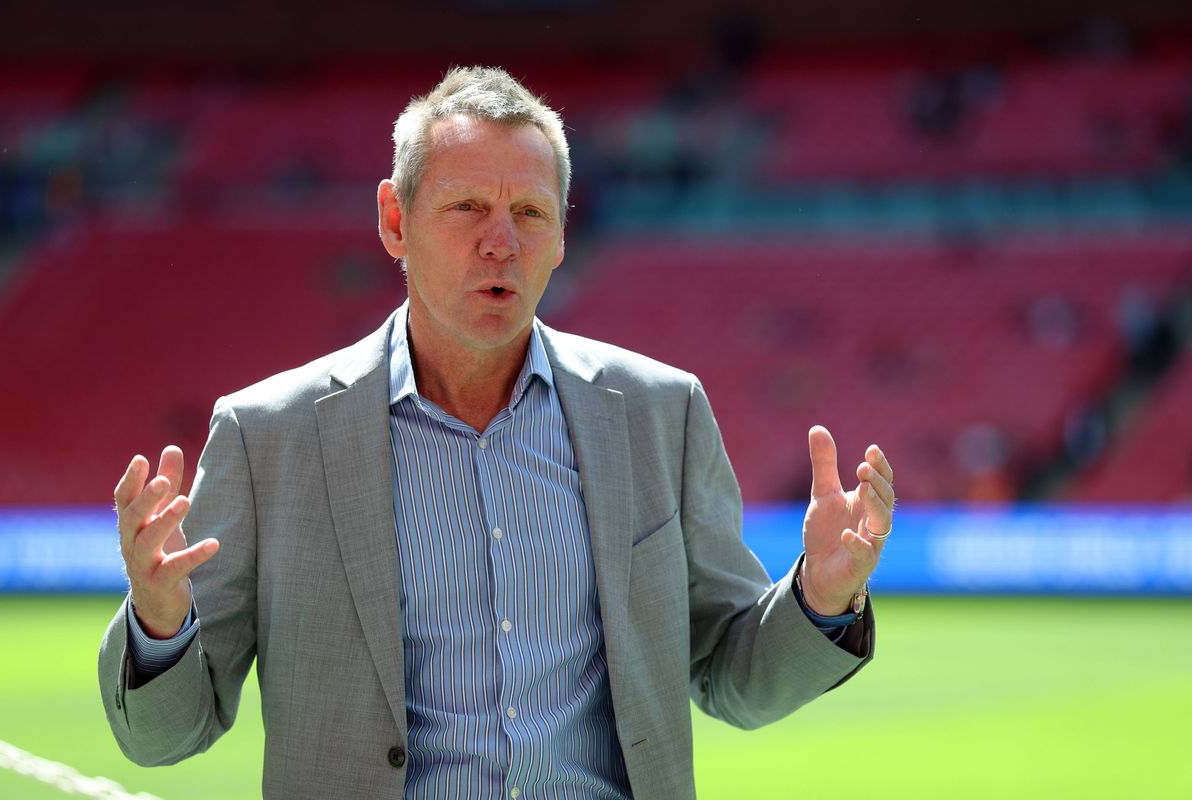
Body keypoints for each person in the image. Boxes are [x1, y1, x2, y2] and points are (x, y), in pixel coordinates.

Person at [99, 66, 896, 800]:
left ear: (559, 236)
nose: (500, 241)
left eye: (528, 213)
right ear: (393, 220)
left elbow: (733, 677)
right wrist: (160, 622)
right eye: (467, 208)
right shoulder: (266, 435)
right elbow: (165, 736)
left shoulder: (662, 412)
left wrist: (819, 599)